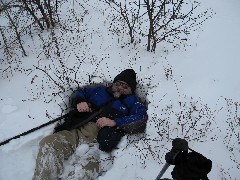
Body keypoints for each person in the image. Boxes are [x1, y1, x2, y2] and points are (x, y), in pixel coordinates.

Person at [33, 69, 148, 180]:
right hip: (76, 131)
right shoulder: (100, 90)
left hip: (98, 145)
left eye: (125, 86)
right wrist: (80, 101)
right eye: (118, 83)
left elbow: (141, 118)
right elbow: (79, 93)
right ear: (113, 83)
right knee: (48, 144)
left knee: (84, 170)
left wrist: (115, 122)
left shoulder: (133, 102)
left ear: (131, 90)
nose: (120, 88)